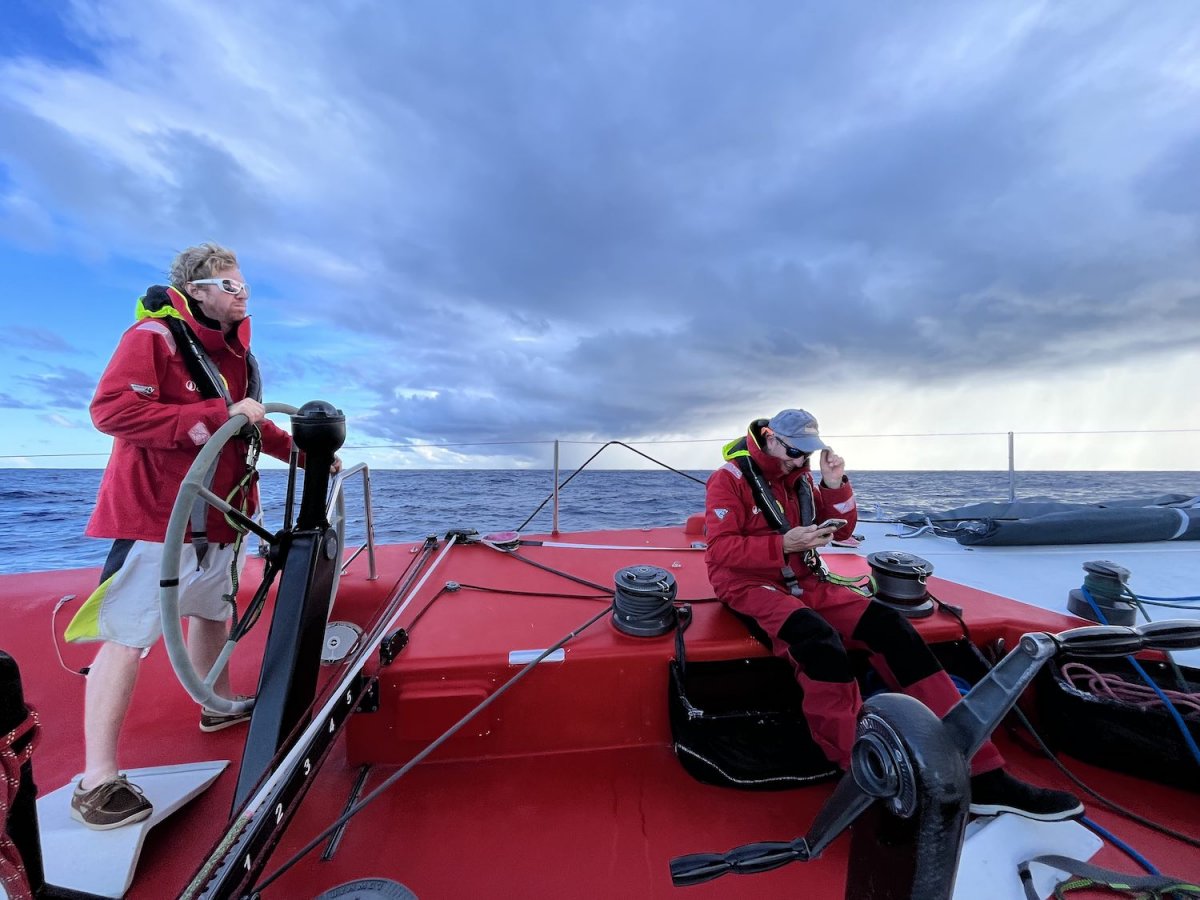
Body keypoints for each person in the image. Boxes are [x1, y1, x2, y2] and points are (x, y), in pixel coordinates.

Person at [704, 409, 1083, 820]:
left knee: (890, 627)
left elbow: (843, 530)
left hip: (804, 577)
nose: (800, 461)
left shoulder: (801, 477)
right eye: (795, 452)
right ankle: (860, 773)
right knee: (817, 643)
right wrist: (783, 545)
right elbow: (720, 552)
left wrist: (834, 484)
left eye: (807, 453)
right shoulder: (729, 479)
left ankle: (984, 772)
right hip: (747, 583)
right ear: (769, 437)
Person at [65, 243, 296, 830]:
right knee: (127, 636)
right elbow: (112, 412)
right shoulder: (153, 340)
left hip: (221, 515)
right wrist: (217, 418)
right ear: (198, 291)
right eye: (231, 285)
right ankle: (96, 782)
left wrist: (301, 452)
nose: (243, 295)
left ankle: (215, 705)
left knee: (212, 612)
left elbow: (247, 421)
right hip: (157, 519)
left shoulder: (236, 355)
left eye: (245, 285)